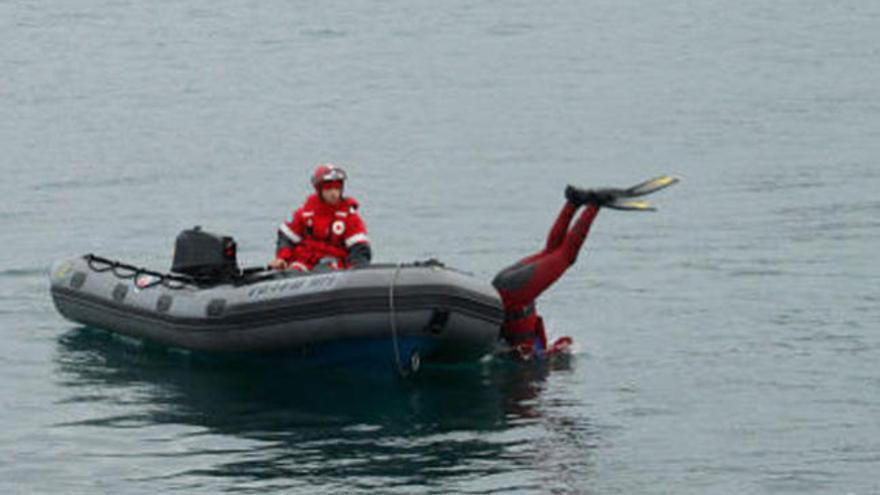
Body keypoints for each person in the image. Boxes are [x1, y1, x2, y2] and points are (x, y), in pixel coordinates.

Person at [492, 177, 678, 360]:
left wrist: (556, 354)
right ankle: (577, 203)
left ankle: (588, 204)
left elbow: (533, 352)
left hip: (513, 294)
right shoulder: (530, 350)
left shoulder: (526, 353)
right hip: (504, 286)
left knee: (563, 256)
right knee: (556, 253)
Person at [269, 164, 372, 272]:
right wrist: (282, 258)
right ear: (319, 189)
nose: (333, 193)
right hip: (304, 261)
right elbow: (287, 239)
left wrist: (356, 271)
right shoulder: (305, 213)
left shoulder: (349, 217)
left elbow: (359, 249)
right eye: (328, 188)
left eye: (337, 188)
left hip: (333, 264)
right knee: (294, 270)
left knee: (326, 268)